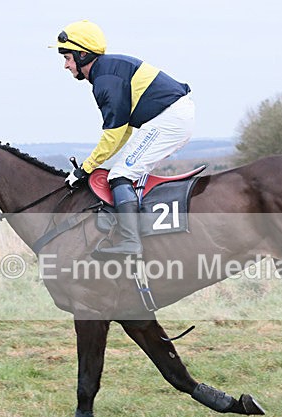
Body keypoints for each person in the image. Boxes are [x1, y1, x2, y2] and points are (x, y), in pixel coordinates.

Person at [53, 20, 195, 258]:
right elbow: (124, 132)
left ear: (82, 54)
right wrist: (93, 165)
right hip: (170, 117)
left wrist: (85, 169)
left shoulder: (105, 80)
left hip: (169, 119)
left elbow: (114, 133)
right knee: (122, 169)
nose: (66, 66)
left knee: (120, 174)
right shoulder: (106, 72)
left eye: (67, 58)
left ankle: (130, 241)